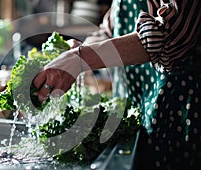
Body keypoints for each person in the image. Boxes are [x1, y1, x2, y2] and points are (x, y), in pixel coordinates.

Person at [32, 0, 201, 169]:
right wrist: (77, 49)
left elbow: (166, 36)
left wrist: (81, 58)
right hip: (134, 111)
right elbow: (111, 30)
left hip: (177, 115)